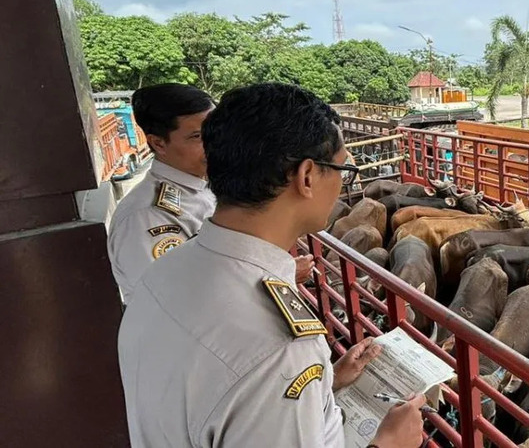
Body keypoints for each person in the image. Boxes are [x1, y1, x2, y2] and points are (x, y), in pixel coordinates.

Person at [118, 83, 424, 448]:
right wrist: (388, 444)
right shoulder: (279, 347)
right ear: (307, 176)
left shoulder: (164, 272)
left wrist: (329, 380)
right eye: (342, 170)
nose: (343, 184)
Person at [107, 83, 217, 305]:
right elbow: (171, 302)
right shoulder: (145, 217)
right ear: (158, 143)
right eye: (197, 136)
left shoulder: (205, 185)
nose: (214, 143)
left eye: (215, 131)